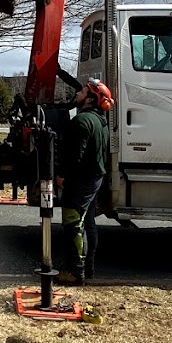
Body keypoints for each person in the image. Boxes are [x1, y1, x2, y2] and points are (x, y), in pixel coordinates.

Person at [56, 78, 112, 285]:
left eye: (82, 92)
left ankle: (74, 272)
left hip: (81, 181)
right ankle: (88, 268)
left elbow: (74, 156)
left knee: (73, 223)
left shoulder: (81, 122)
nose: (77, 94)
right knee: (88, 221)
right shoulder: (100, 121)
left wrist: (62, 175)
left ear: (90, 99)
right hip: (94, 178)